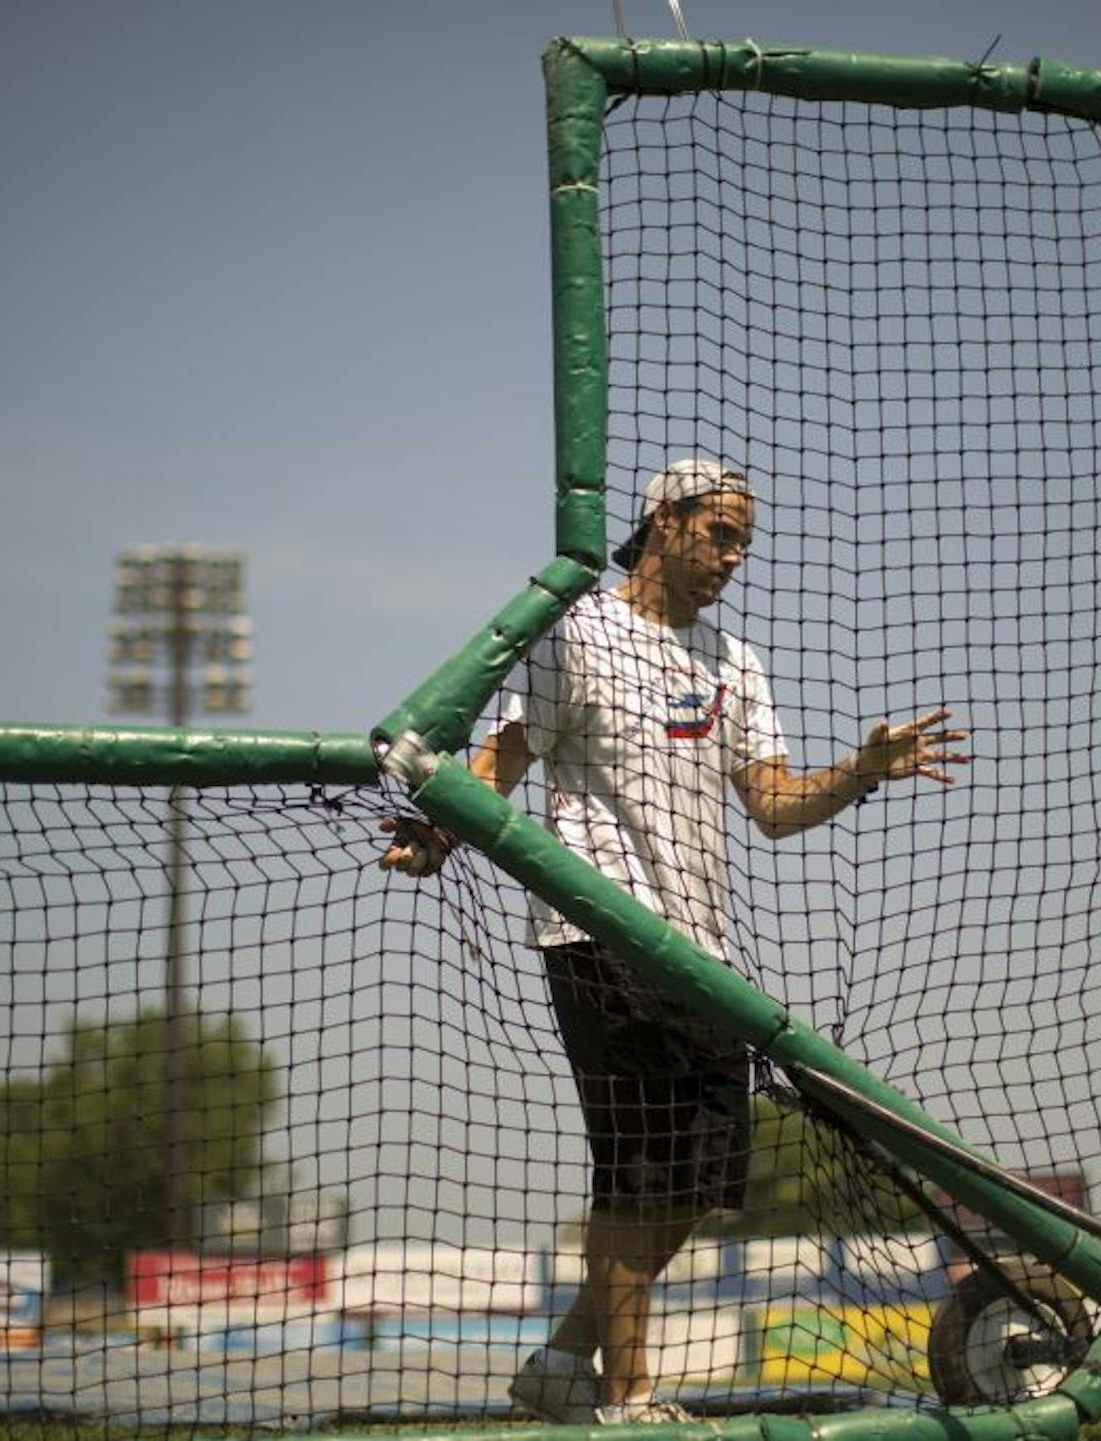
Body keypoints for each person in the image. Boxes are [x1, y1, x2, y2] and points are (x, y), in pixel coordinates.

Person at [378, 457, 966, 1423]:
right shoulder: (576, 630)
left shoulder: (736, 661)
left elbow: (772, 807)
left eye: (744, 540)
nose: (735, 556)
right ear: (664, 521)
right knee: (636, 1167)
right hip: (594, 927)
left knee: (698, 1180)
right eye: (721, 533)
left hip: (704, 954)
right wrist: (440, 830)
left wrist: (863, 770)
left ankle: (564, 1363)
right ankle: (629, 1396)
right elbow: (503, 759)